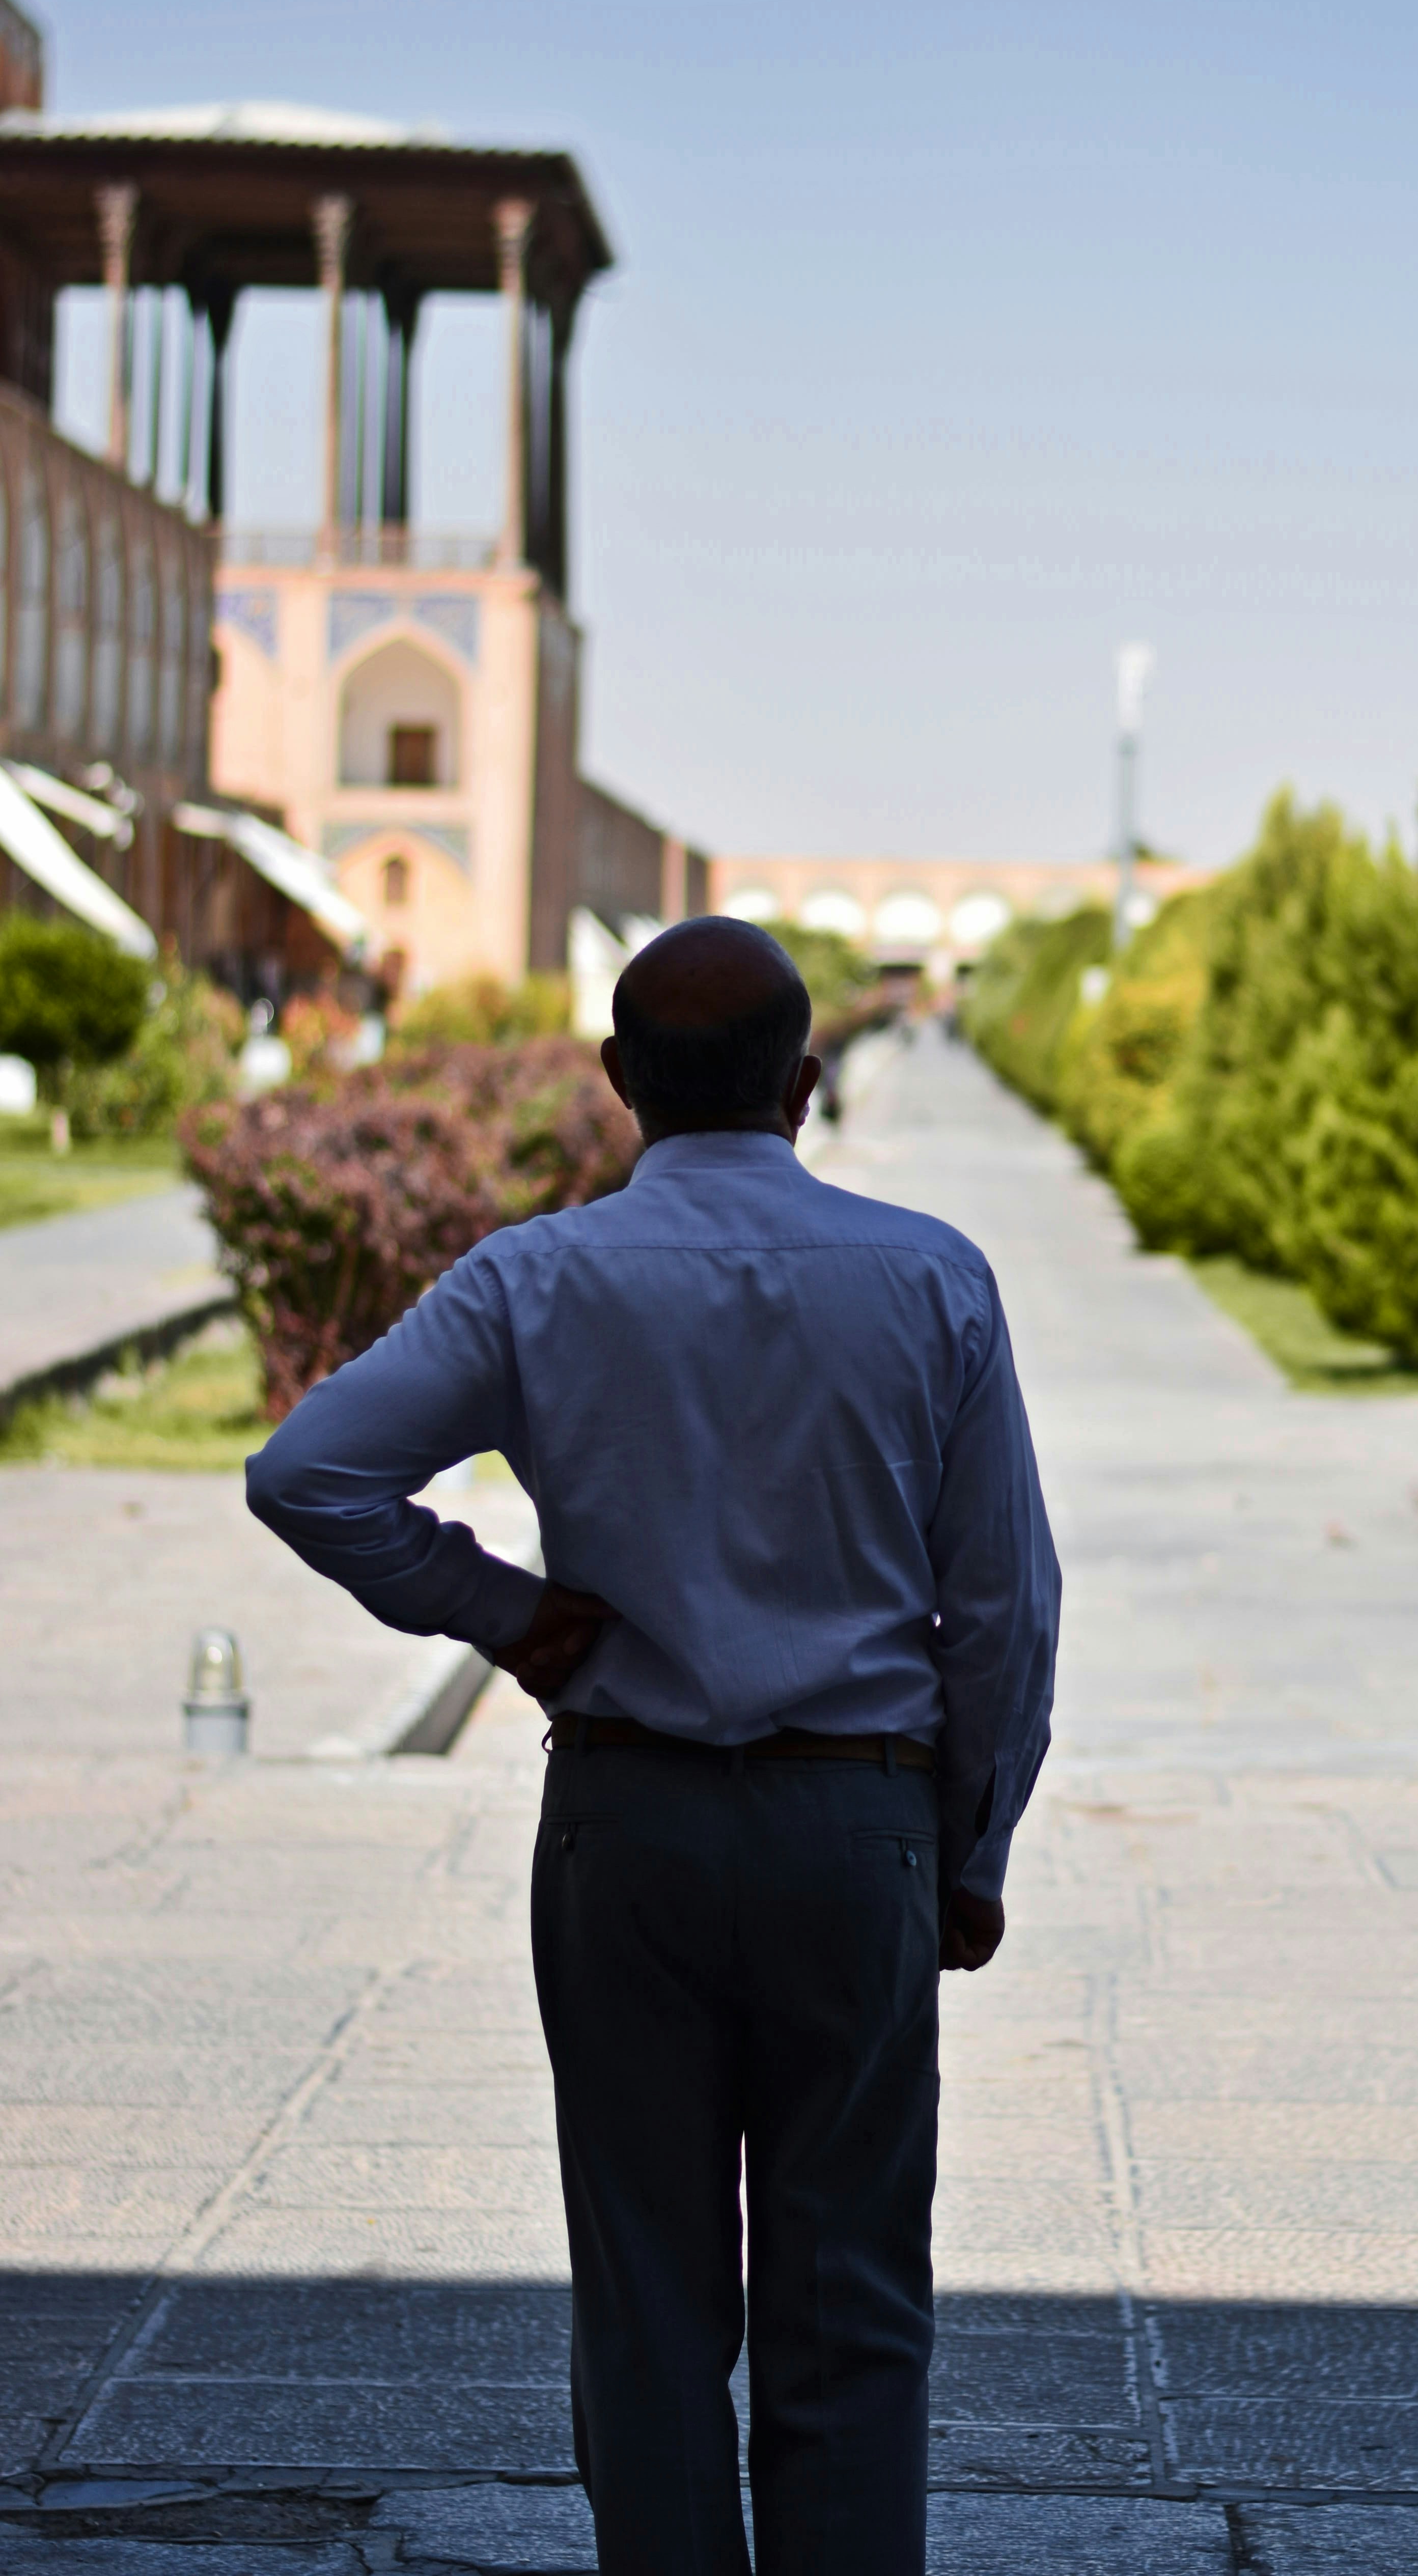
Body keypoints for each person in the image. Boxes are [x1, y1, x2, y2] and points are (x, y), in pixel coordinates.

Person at [246, 919, 1061, 2576]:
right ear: (806, 1084)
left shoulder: (539, 1280)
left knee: (646, 2296)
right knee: (852, 2302)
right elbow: (1004, 1612)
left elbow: (305, 1475)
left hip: (629, 1829)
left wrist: (502, 1611)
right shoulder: (929, 1280)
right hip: (858, 1831)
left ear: (616, 1084)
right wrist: (970, 1855)